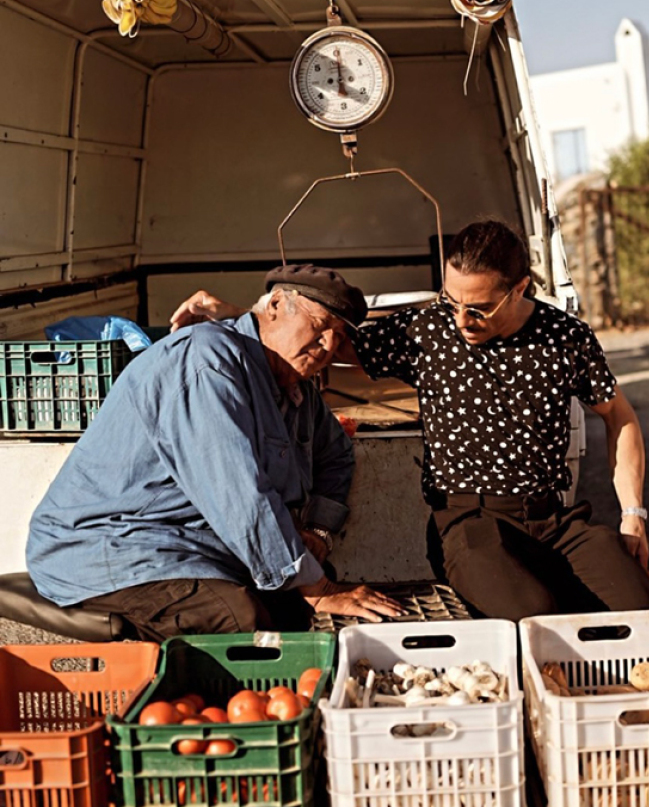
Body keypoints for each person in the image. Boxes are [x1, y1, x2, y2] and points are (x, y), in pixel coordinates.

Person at [171, 220, 649, 621]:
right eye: (452, 301)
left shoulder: (565, 336)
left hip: (555, 520)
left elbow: (618, 416)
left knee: (644, 611)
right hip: (471, 522)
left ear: (520, 290)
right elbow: (322, 337)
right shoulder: (427, 329)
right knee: (532, 616)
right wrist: (241, 315)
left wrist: (632, 516)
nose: (462, 319)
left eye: (480, 308)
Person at [26, 264, 403, 640]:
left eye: (338, 338)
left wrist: (318, 532)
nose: (327, 347)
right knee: (237, 620)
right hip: (113, 548)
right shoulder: (206, 362)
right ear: (273, 306)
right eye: (320, 326)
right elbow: (240, 497)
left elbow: (335, 456)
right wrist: (317, 590)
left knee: (297, 608)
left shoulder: (295, 385)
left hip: (193, 552)